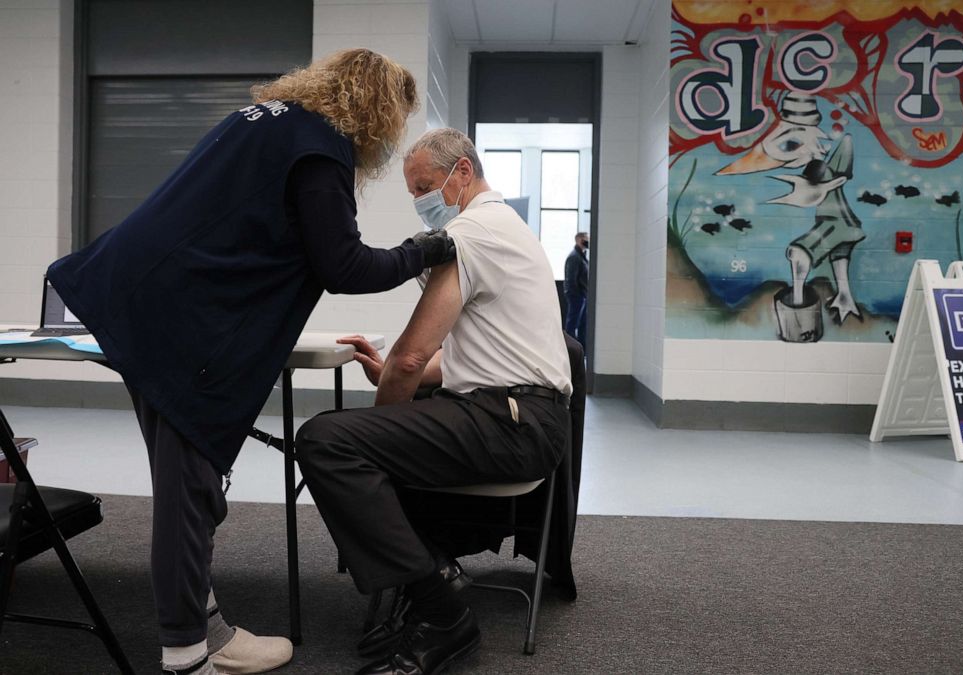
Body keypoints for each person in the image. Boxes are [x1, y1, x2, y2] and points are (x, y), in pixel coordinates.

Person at [46, 49, 456, 675]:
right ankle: (186, 657)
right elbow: (342, 265)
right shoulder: (321, 148)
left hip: (135, 297)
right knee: (189, 492)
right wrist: (420, 250)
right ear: (375, 109)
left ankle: (208, 628)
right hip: (180, 321)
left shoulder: (268, 117)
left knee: (189, 484)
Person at [295, 127, 573, 675]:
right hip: (521, 415)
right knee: (361, 442)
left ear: (462, 172)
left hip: (512, 422)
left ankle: (439, 608)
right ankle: (434, 570)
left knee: (325, 441)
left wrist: (381, 428)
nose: (422, 200)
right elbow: (474, 358)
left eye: (426, 186)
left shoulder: (470, 233)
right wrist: (409, 378)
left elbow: (407, 359)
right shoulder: (504, 226)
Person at [564, 231, 589, 349]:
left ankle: (580, 350)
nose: (588, 241)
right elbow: (571, 279)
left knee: (582, 324)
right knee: (572, 323)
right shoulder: (574, 257)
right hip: (577, 296)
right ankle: (570, 350)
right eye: (586, 239)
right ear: (579, 240)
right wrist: (577, 295)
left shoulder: (582, 256)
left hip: (582, 295)